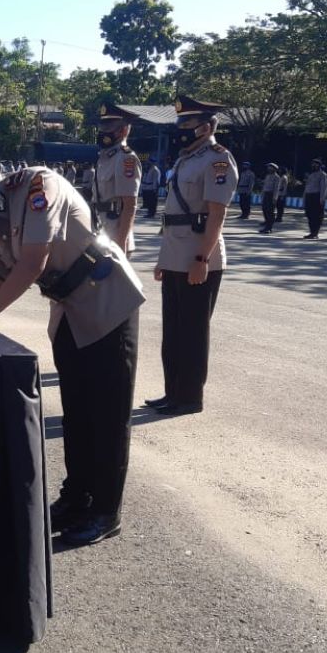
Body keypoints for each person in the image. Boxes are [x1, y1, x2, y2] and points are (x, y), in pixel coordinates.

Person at [0, 139, 145, 547]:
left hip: (107, 301)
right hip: (70, 309)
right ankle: (77, 497)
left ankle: (106, 511)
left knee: (106, 414)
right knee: (77, 412)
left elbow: (33, 263)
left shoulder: (36, 187)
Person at [145, 96, 238, 416]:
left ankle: (189, 397)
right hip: (175, 255)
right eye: (180, 122)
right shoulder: (186, 159)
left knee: (193, 332)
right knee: (172, 331)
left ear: (208, 126)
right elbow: (172, 216)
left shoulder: (217, 160)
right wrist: (163, 259)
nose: (181, 128)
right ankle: (172, 392)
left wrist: (202, 260)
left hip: (199, 258)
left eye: (188, 123)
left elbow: (216, 215)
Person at [92, 102, 142, 254]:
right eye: (102, 128)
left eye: (108, 128)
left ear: (123, 131)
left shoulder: (125, 158)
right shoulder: (104, 157)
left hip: (115, 234)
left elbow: (129, 205)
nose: (103, 132)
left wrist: (121, 244)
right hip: (100, 230)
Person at [302, 158, 327, 239]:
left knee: (316, 216)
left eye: (316, 164)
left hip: (316, 197)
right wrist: (304, 198)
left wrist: (322, 199)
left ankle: (315, 233)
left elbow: (323, 188)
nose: (314, 165)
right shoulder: (311, 175)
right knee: (309, 215)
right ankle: (311, 232)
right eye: (313, 164)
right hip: (309, 196)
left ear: (320, 165)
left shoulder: (323, 175)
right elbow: (306, 187)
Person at [259, 163, 280, 234]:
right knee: (264, 209)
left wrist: (275, 198)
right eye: (268, 167)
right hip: (266, 194)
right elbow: (264, 186)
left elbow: (277, 188)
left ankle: (269, 227)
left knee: (270, 212)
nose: (268, 168)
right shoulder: (267, 176)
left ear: (274, 168)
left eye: (270, 167)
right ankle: (266, 225)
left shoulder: (277, 177)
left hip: (271, 195)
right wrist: (262, 195)